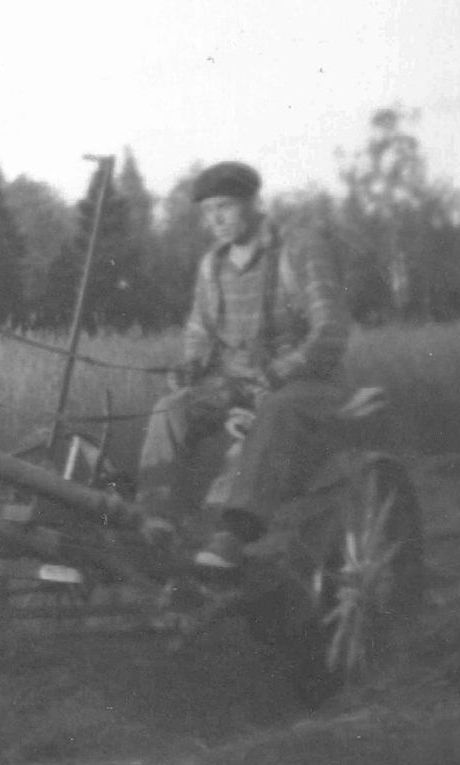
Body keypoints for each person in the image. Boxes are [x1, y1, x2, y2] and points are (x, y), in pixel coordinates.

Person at [137, 160, 351, 570]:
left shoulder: (299, 249)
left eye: (225, 206)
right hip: (238, 384)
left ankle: (234, 532)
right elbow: (200, 334)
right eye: (208, 211)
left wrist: (279, 372)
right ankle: (155, 520)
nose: (215, 219)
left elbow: (331, 330)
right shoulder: (212, 265)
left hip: (309, 386)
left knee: (277, 408)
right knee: (172, 408)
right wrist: (189, 367)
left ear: (253, 202)